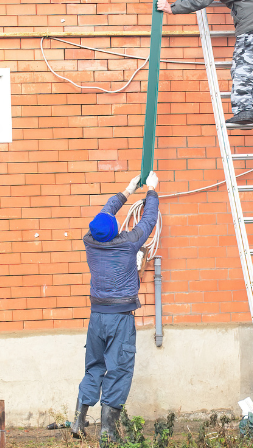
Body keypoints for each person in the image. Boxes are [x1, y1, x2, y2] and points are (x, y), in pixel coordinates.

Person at [72, 171, 160, 446]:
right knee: (119, 370)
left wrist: (126, 191)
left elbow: (103, 216)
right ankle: (108, 431)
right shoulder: (128, 243)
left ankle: (78, 420)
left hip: (97, 317)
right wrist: (151, 192)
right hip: (119, 319)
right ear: (115, 230)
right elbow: (148, 221)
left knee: (94, 368)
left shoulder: (90, 241)